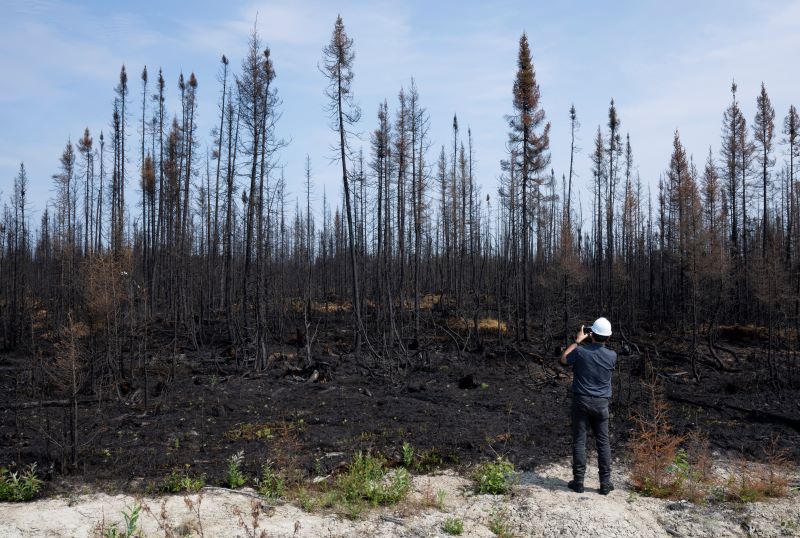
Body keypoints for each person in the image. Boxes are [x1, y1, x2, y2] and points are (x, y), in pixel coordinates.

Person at [558, 317, 617, 495]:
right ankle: (605, 483)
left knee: (579, 441)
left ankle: (579, 482)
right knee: (603, 443)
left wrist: (577, 341)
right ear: (608, 337)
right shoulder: (612, 356)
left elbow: (563, 359)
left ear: (591, 334)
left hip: (581, 401)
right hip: (601, 403)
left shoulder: (581, 352)